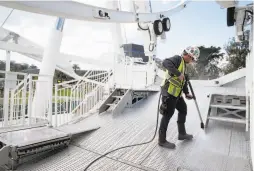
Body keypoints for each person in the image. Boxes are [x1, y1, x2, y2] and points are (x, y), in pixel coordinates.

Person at [158, 46, 200, 149]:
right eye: (192, 58)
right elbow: (165, 63)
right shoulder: (177, 59)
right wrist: (178, 73)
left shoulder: (184, 65)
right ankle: (161, 140)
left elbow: (183, 81)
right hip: (168, 92)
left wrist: (186, 93)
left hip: (177, 94)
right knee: (167, 115)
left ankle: (182, 134)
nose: (192, 61)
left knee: (183, 109)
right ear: (189, 55)